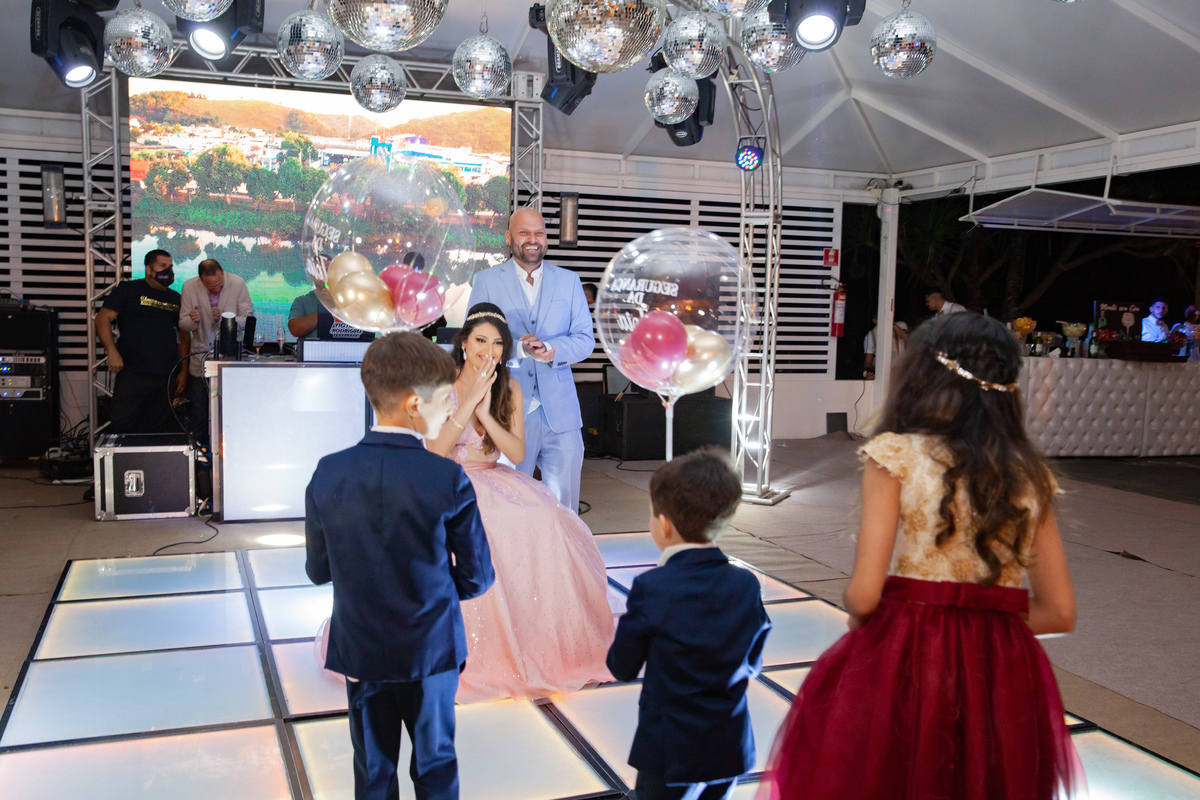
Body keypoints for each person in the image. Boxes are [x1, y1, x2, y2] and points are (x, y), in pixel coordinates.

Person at [761, 312, 1082, 800]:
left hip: (908, 657)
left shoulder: (896, 455)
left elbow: (865, 595)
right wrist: (986, 629)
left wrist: (922, 622)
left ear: (923, 379)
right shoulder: (1028, 474)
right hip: (1004, 670)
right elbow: (1060, 611)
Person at [305, 332, 494, 800]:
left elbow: (318, 570)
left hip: (360, 646)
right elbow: (476, 576)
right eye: (445, 401)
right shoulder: (446, 476)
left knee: (372, 768)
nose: (450, 411)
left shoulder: (329, 470)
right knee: (435, 763)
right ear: (414, 404)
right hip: (429, 649)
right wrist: (432, 588)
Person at [424, 303, 614, 702]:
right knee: (478, 524)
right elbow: (433, 452)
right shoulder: (439, 384)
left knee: (546, 516)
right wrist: (467, 402)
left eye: (496, 343)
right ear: (462, 343)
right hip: (449, 480)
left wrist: (485, 412)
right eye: (480, 341)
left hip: (495, 476)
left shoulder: (509, 386)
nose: (487, 350)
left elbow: (514, 448)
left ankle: (541, 636)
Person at [607, 448, 771, 800]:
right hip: (729, 742)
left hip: (668, 748)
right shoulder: (746, 585)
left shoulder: (652, 588)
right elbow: (752, 661)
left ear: (663, 523)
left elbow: (622, 666)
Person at [468, 207, 594, 514]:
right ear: (509, 237)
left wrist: (551, 349)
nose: (532, 240)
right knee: (511, 504)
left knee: (564, 509)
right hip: (507, 410)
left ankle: (564, 561)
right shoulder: (485, 280)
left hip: (560, 413)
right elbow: (474, 343)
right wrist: (519, 350)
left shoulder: (569, 281)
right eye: (524, 233)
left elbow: (584, 340)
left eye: (539, 233)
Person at [95, 249, 189, 434]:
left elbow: (184, 336)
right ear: (148, 269)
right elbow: (102, 319)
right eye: (163, 266)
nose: (168, 270)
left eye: (170, 266)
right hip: (133, 372)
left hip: (166, 375)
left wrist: (184, 371)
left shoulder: (176, 298)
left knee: (157, 429)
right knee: (122, 425)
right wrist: (112, 352)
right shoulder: (128, 290)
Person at [178, 259, 253, 442]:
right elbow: (182, 323)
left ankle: (230, 455)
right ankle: (202, 460)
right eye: (210, 287)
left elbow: (249, 319)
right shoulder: (189, 286)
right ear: (201, 280)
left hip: (230, 358)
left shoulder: (237, 283)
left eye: (219, 285)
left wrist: (227, 320)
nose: (216, 290)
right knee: (199, 414)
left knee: (231, 412)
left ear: (223, 272)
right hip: (200, 359)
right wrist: (193, 320)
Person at [862, 315, 909, 379]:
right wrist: (867, 373)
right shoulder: (871, 335)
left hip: (899, 372)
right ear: (875, 320)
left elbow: (904, 336)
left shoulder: (900, 325)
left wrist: (892, 325)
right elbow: (868, 361)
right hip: (881, 374)